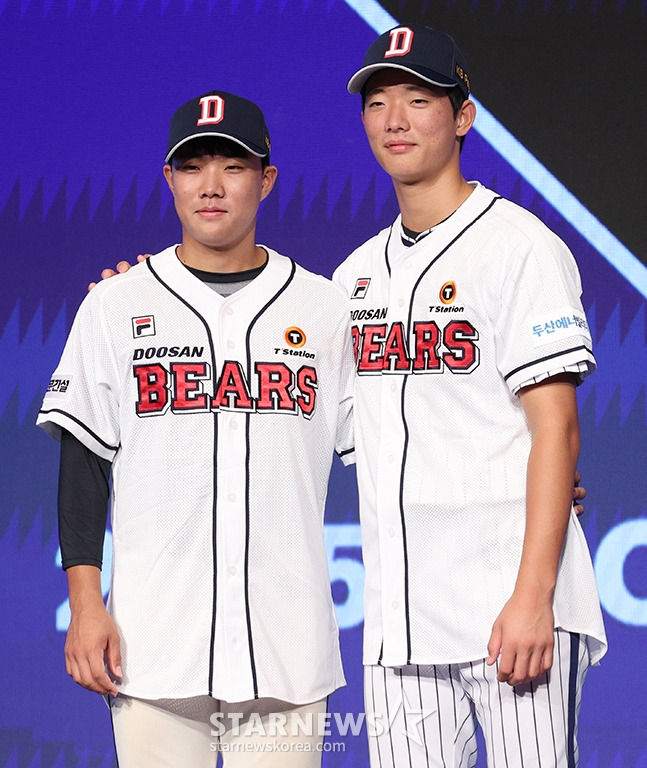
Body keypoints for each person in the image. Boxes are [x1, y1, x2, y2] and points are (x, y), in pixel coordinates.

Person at [37, 90, 355, 767]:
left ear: (266, 179)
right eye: (193, 165)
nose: (211, 185)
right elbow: (84, 466)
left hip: (287, 648)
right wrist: (86, 604)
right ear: (169, 178)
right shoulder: (115, 305)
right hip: (152, 646)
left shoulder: (325, 309)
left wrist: (525, 476)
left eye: (233, 166)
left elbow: (393, 449)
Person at [331, 23, 606, 767]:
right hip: (400, 625)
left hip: (510, 607)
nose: (394, 119)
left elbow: (556, 430)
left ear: (463, 116)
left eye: (418, 99)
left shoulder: (519, 246)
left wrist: (534, 598)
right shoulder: (353, 278)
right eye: (377, 102)